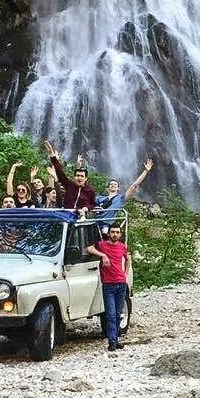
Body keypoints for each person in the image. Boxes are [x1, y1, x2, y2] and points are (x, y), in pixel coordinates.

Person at [88, 222, 131, 353]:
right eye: (113, 232)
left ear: (120, 234)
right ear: (108, 233)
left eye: (117, 232)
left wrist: (125, 274)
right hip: (108, 284)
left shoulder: (122, 246)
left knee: (118, 314)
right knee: (111, 314)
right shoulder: (102, 245)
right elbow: (89, 248)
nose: (115, 234)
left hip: (121, 283)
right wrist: (103, 255)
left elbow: (128, 258)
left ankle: (115, 339)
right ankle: (112, 341)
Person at [43, 140, 96, 210]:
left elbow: (93, 204)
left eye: (82, 176)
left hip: (81, 216)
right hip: (67, 215)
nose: (79, 178)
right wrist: (52, 154)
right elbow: (60, 172)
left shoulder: (90, 190)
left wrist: (87, 208)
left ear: (86, 178)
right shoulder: (69, 185)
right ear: (74, 177)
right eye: (77, 176)